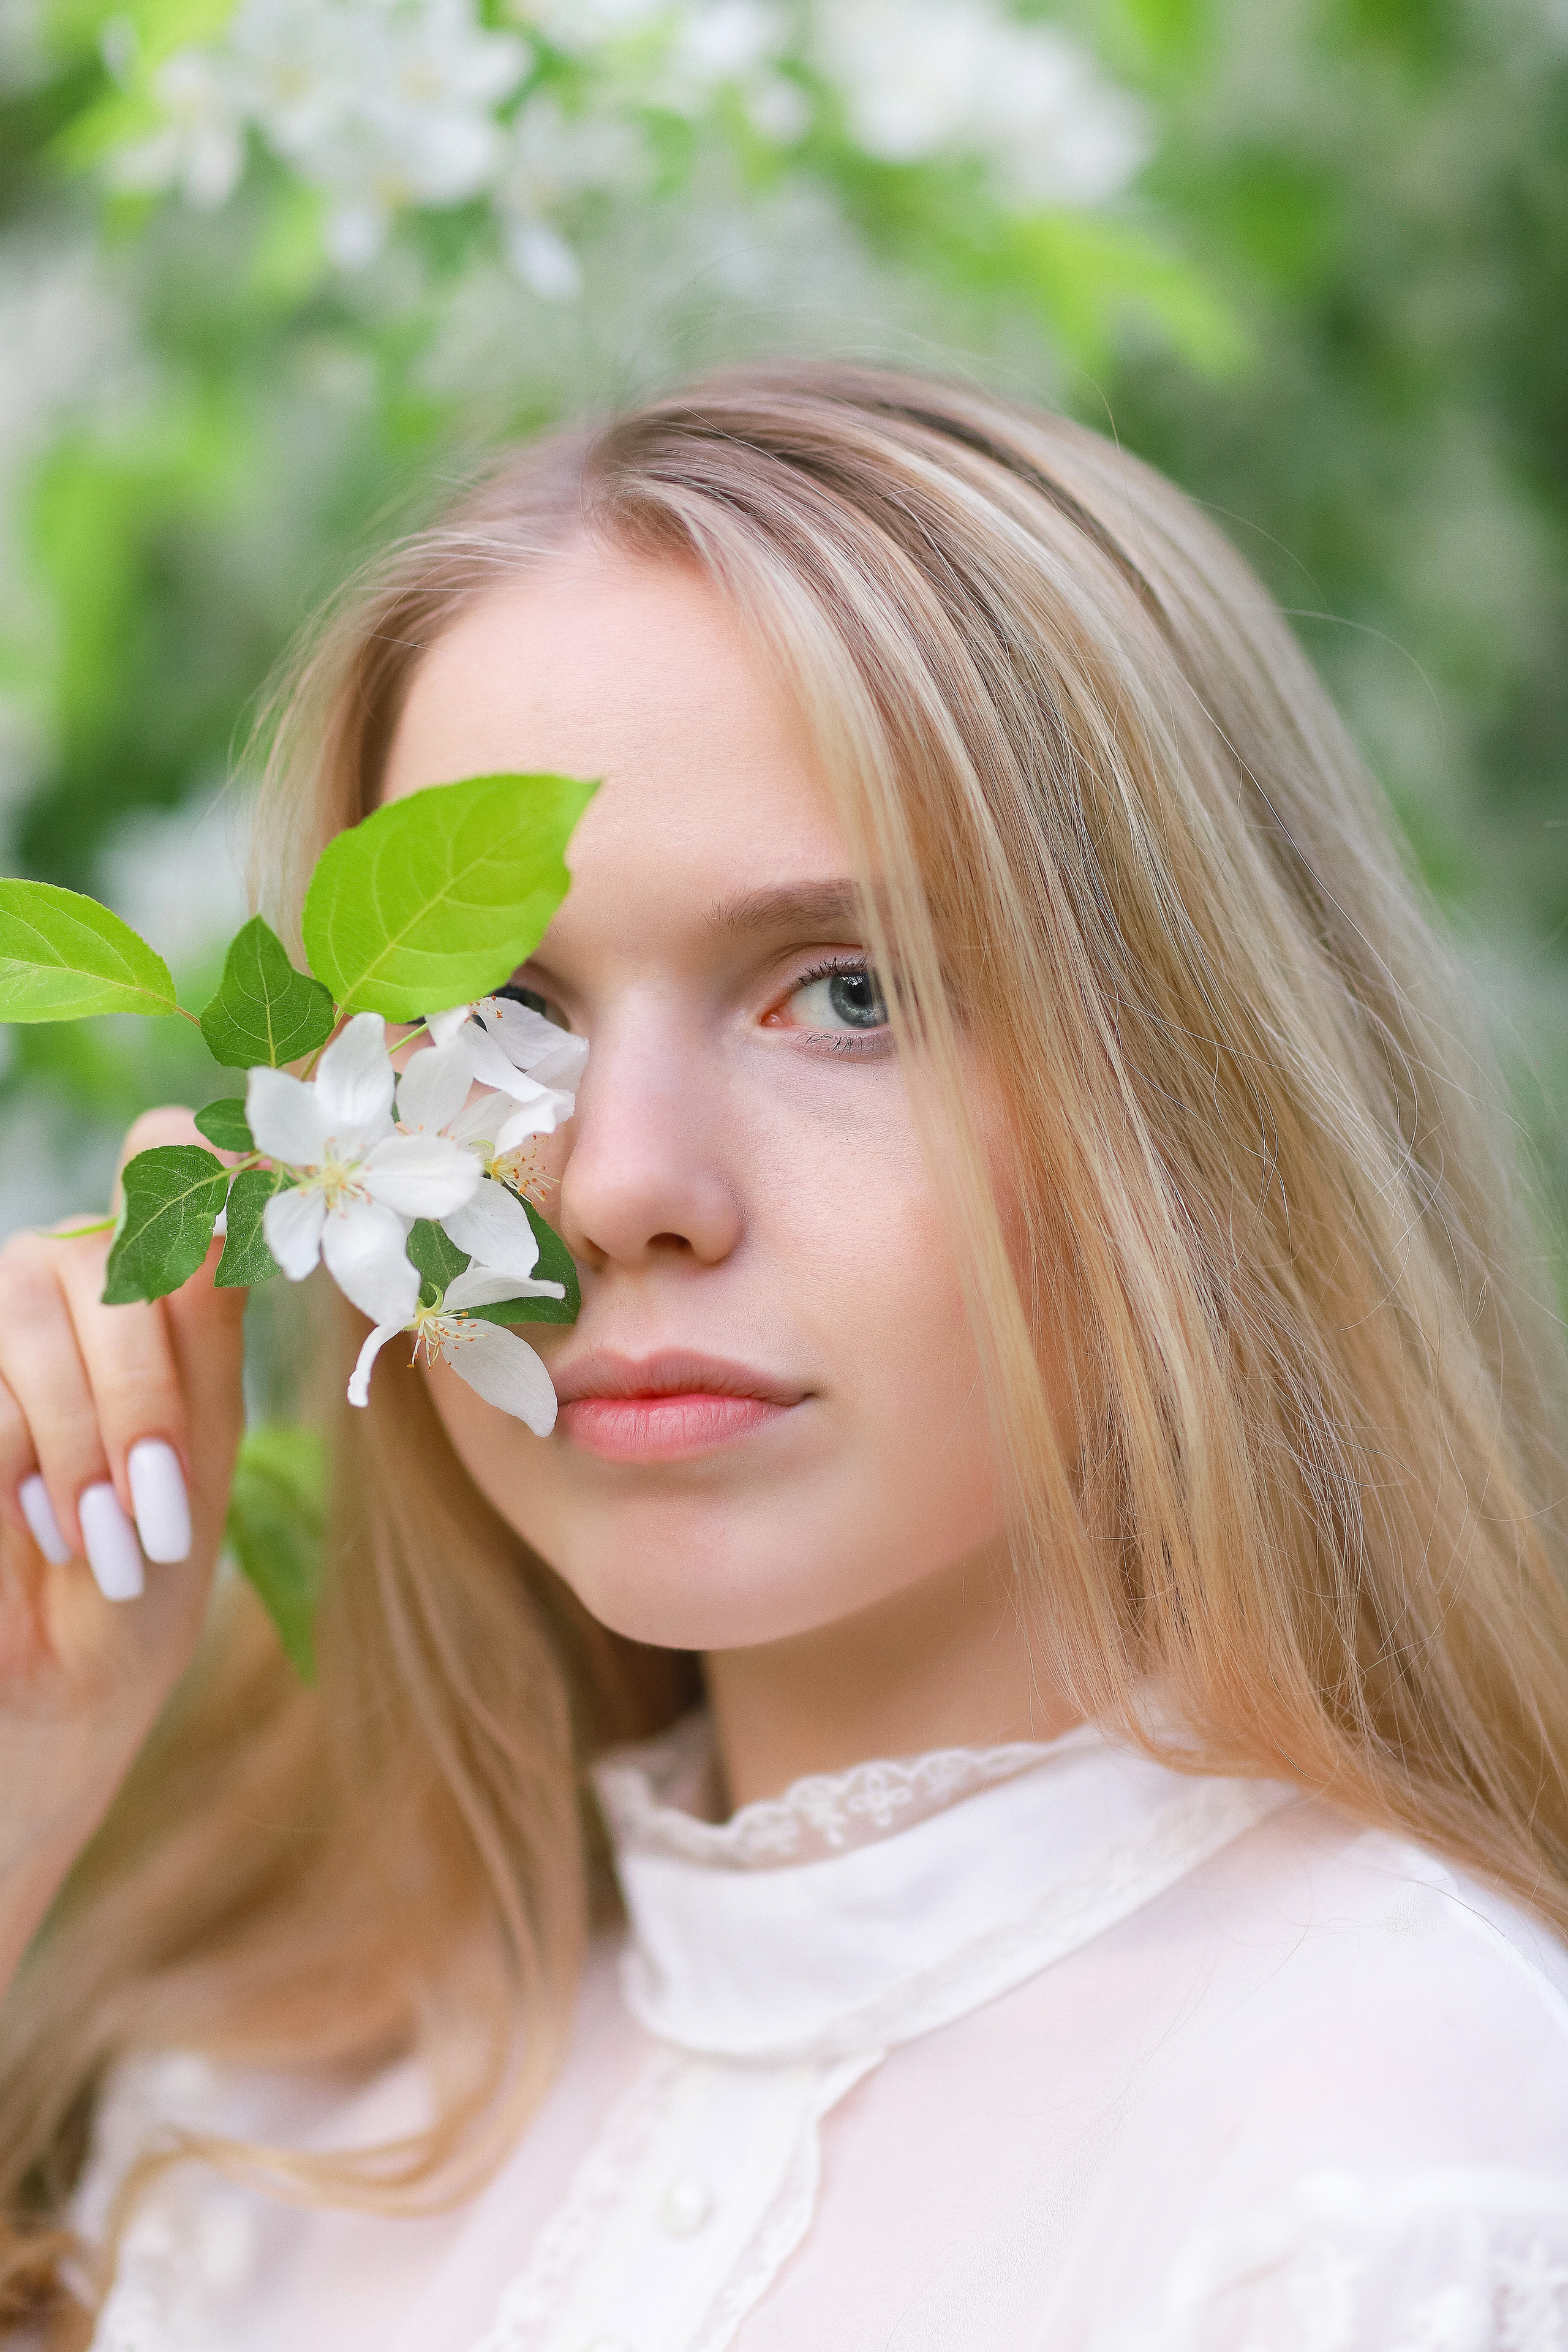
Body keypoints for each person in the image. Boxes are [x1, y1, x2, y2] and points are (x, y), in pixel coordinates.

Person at [1, 362, 1566, 2351]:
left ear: (1198, 1093)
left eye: (848, 992)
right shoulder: (268, 2118)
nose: (621, 1186)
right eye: (495, 1022)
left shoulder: (1387, 2182)